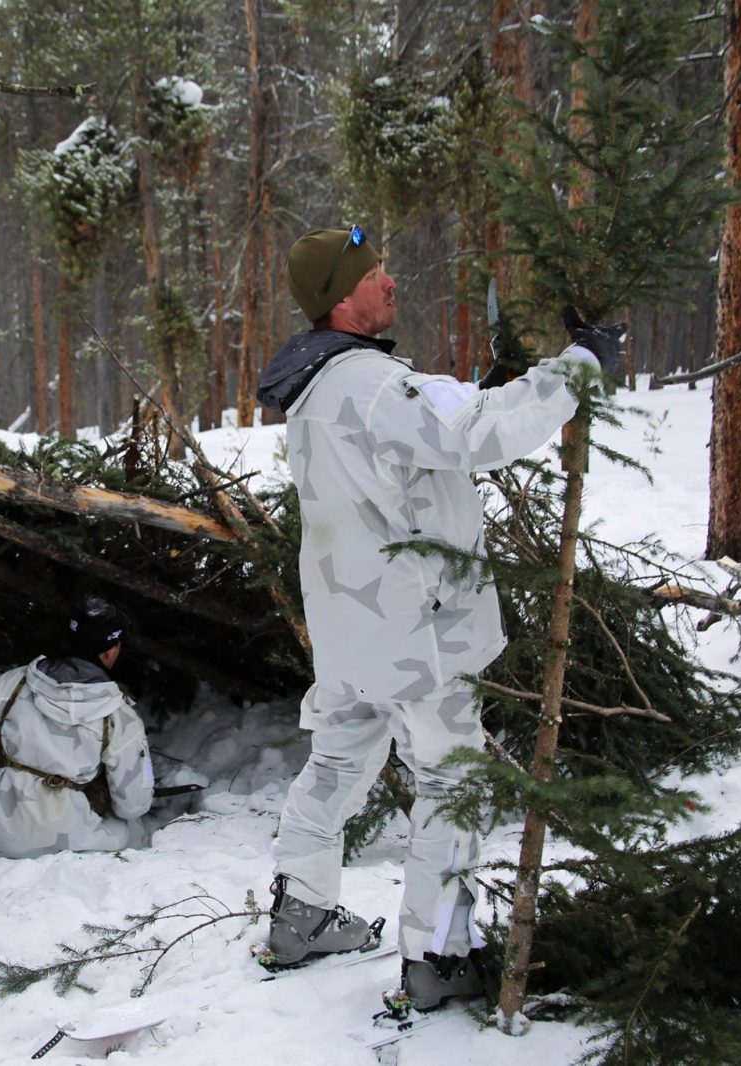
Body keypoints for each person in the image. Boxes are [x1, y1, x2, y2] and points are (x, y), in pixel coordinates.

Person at [255, 226, 622, 1008]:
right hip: (416, 631)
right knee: (452, 782)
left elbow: (422, 437)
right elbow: (479, 434)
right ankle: (437, 959)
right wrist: (580, 366)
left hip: (350, 626)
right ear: (339, 300)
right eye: (374, 275)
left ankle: (302, 916)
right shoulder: (371, 383)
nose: (390, 282)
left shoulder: (320, 385)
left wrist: (487, 387)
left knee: (339, 763)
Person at [0, 595, 155, 859]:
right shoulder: (121, 716)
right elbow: (133, 805)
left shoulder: (12, 683)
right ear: (109, 651)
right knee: (130, 826)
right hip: (65, 841)